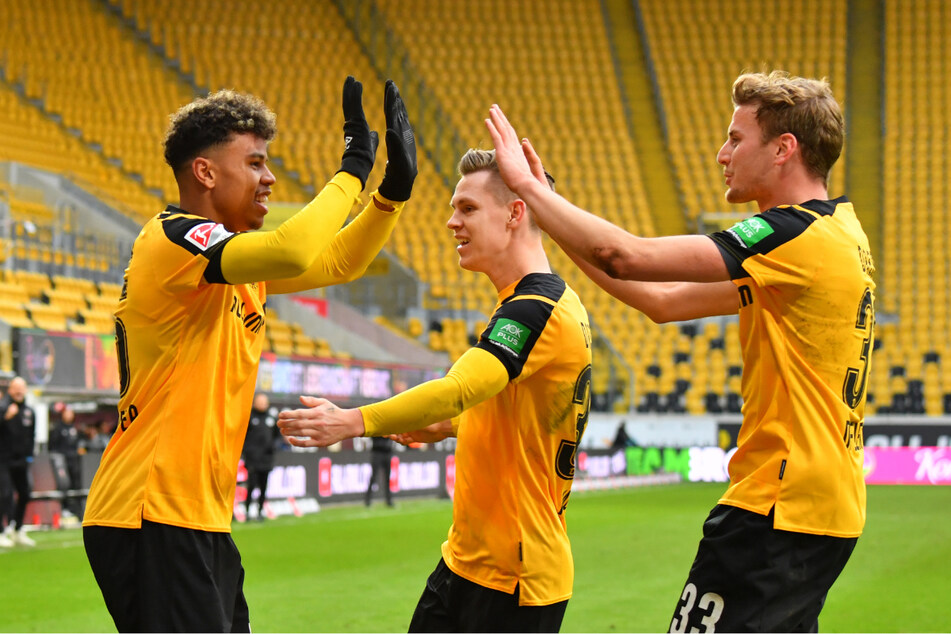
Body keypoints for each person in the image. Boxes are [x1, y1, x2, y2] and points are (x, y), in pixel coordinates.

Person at [486, 70, 873, 632]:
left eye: (737, 139)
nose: (722, 154)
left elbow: (628, 257)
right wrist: (551, 216)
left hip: (779, 507)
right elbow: (662, 301)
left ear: (784, 149)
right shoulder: (838, 234)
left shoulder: (794, 235)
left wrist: (531, 192)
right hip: (823, 505)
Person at [81, 76, 417, 633]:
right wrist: (355, 167)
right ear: (206, 172)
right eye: (257, 163)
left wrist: (391, 194)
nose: (270, 178)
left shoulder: (238, 269)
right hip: (147, 509)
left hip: (196, 518)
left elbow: (335, 263)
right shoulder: (172, 240)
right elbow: (295, 248)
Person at [278, 148, 592, 633]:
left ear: (515, 213)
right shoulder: (544, 302)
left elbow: (458, 388)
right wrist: (451, 427)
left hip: (514, 578)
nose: (450, 222)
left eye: (467, 208)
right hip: (466, 563)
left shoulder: (537, 310)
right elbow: (517, 415)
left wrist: (353, 421)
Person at [0, 376, 37, 547]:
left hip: (22, 461)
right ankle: (1, 532)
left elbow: (31, 437)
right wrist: (5, 417)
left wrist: (29, 456)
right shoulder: (2, 408)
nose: (19, 391)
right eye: (15, 388)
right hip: (3, 460)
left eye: (22, 388)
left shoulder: (29, 411)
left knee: (25, 493)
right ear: (10, 390)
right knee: (4, 495)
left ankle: (17, 529)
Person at [241, 393, 279, 521]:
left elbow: (277, 436)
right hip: (252, 459)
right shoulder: (249, 416)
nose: (262, 404)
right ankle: (246, 511)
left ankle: (260, 511)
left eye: (264, 401)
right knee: (251, 485)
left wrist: (273, 446)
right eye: (259, 401)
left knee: (263, 486)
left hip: (266, 459)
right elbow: (242, 436)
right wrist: (247, 451)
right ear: (254, 403)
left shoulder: (272, 417)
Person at [47, 403, 84, 518]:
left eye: (70, 413)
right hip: (62, 462)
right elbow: (52, 446)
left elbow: (78, 443)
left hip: (74, 460)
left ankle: (76, 509)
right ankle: (64, 508)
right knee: (64, 484)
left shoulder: (74, 428)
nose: (69, 415)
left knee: (76, 484)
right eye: (67, 413)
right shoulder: (58, 428)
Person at [364, 435, 394, 507]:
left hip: (387, 452)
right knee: (373, 477)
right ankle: (368, 500)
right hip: (377, 452)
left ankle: (389, 500)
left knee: (387, 478)